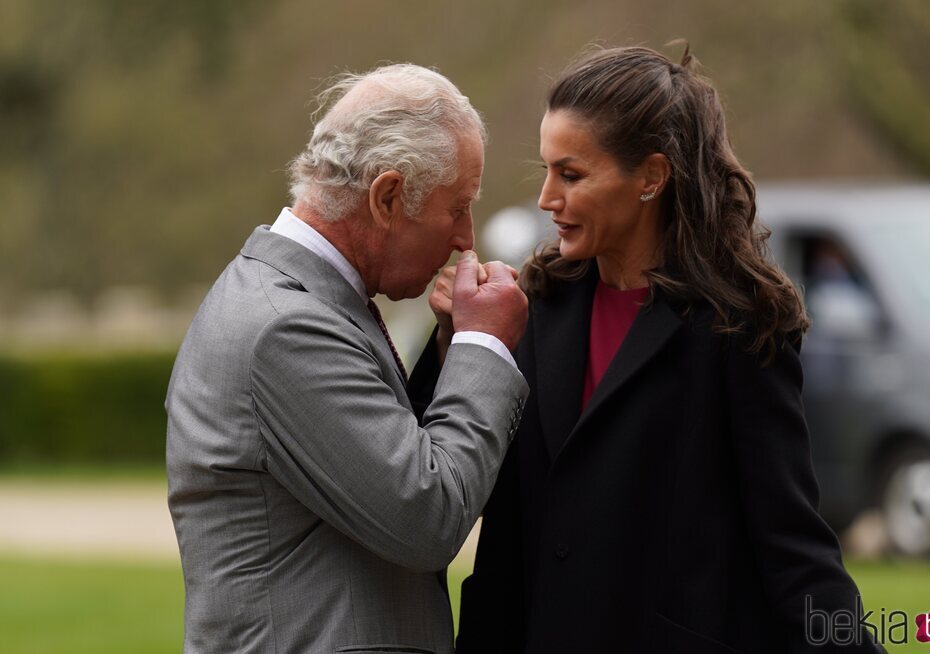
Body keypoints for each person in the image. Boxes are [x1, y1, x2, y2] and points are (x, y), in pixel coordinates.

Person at [437, 46, 885, 652]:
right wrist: (456, 340)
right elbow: (501, 523)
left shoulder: (737, 326)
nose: (546, 198)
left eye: (570, 174)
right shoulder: (537, 307)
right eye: (546, 171)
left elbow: (792, 549)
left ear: (651, 176)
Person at [165, 64, 529, 654]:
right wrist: (482, 345)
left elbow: (387, 463)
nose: (466, 237)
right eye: (457, 207)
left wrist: (450, 347)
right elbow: (427, 516)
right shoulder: (286, 328)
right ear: (387, 197)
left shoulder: (303, 303)